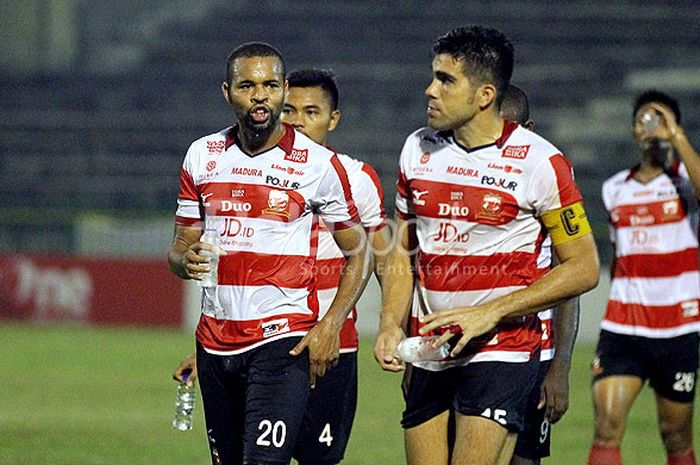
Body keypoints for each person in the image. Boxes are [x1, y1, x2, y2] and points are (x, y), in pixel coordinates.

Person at [374, 26, 599, 465]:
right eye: (433, 76)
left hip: (502, 345)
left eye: (446, 80)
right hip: (431, 345)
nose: (430, 90)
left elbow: (584, 267)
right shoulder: (417, 149)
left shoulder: (540, 163)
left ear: (484, 94)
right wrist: (389, 323)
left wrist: (490, 312)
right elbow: (404, 247)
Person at [173, 68, 391, 465]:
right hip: (265, 340)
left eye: (312, 112)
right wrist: (209, 352)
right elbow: (241, 269)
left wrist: (390, 326)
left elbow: (379, 257)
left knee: (316, 459)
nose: (298, 121)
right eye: (290, 110)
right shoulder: (230, 163)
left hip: (331, 344)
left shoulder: (354, 178)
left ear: (333, 119)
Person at [589, 90, 700, 465]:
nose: (652, 127)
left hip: (678, 328)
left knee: (676, 436)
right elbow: (619, 256)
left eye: (661, 119)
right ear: (634, 131)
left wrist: (677, 137)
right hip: (624, 327)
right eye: (644, 120)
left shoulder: (686, 181)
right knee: (606, 425)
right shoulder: (614, 188)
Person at [499, 84, 581, 465]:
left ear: (528, 128)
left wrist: (560, 367)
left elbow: (571, 280)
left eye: (511, 130)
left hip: (535, 354)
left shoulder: (552, 177)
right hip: (471, 354)